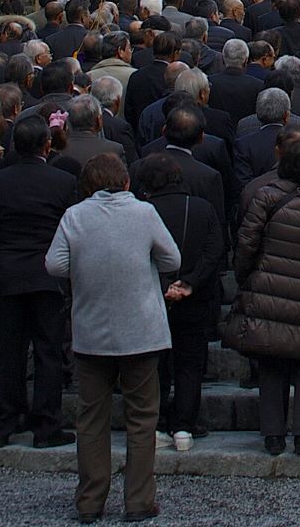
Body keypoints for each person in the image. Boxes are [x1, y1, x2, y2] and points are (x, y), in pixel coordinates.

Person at [47, 153, 180, 525]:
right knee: (142, 417)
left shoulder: (74, 216)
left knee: (91, 417)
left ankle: (90, 500)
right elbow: (172, 259)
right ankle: (138, 499)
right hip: (140, 328)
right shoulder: (143, 213)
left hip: (91, 329)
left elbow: (54, 264)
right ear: (125, 182)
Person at [222, 138, 300, 457]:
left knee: (271, 359)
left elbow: (246, 243)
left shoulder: (265, 197)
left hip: (268, 285)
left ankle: (273, 434)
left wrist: (245, 277)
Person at [0, 114, 79, 449]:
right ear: (47, 144)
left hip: (8, 269)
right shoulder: (62, 181)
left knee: (4, 351)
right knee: (48, 351)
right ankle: (46, 425)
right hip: (47, 272)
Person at [132, 154, 225, 452]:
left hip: (151, 295)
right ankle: (184, 425)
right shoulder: (201, 208)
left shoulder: (140, 211)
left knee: (154, 362)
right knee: (189, 363)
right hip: (193, 297)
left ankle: (156, 422)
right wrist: (189, 283)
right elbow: (215, 249)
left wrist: (163, 285)